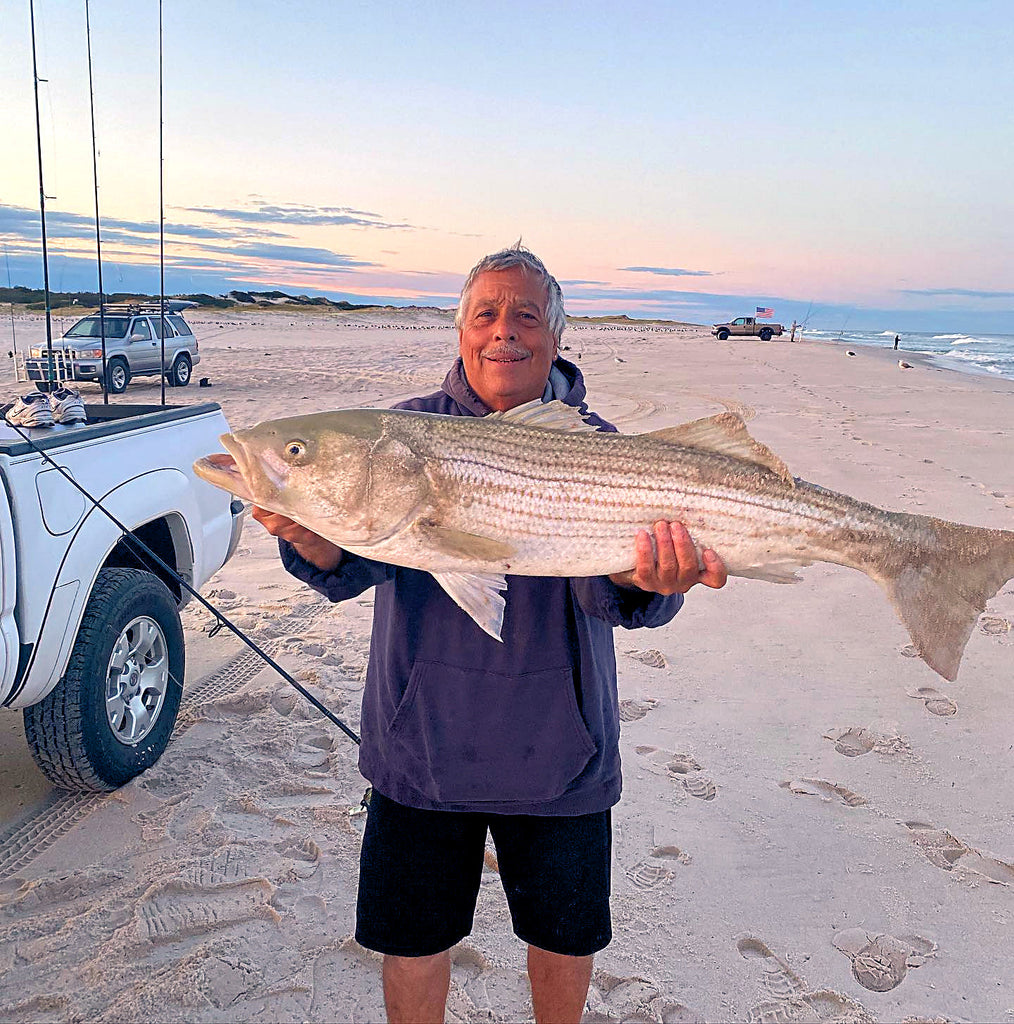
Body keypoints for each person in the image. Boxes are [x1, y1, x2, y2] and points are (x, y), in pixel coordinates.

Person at [252, 245, 727, 1024]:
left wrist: (646, 578)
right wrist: (309, 536)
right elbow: (351, 565)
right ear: (461, 332)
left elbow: (612, 597)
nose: (504, 331)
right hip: (421, 749)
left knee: (565, 943)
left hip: (561, 756)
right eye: (486, 314)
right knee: (411, 943)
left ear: (555, 337)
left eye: (526, 315)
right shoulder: (397, 437)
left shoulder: (602, 448)